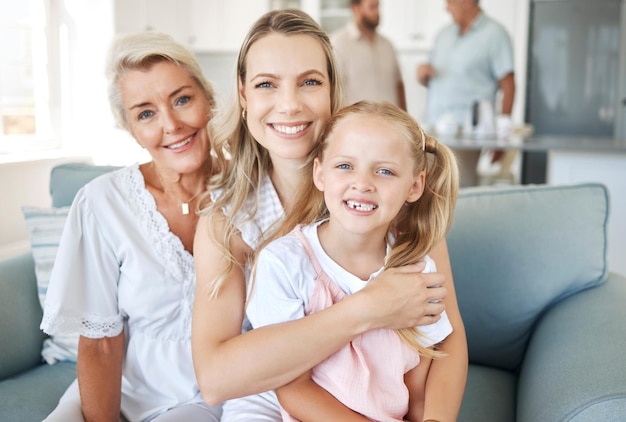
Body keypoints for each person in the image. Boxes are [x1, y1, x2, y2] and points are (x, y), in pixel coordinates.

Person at [191, 8, 467, 421]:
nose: (289, 104)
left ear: (334, 89)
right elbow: (214, 379)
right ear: (245, 98)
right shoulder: (226, 221)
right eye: (267, 84)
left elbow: (447, 339)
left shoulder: (391, 205)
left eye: (310, 82)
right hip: (273, 402)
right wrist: (368, 308)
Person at [40, 32, 223, 422]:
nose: (171, 125)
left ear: (209, 99)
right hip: (125, 387)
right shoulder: (102, 203)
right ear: (131, 129)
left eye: (182, 99)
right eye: (146, 113)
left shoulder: (255, 193)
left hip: (209, 395)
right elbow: (102, 344)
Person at [246, 100, 461, 422]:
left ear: (414, 186)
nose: (362, 183)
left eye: (385, 171)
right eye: (345, 166)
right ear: (320, 174)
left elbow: (419, 381)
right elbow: (292, 388)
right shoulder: (284, 263)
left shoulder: (416, 268)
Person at [417, 0, 516, 186]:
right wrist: (423, 75)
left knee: (458, 192)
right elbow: (431, 80)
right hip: (432, 131)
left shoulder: (495, 34)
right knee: (426, 193)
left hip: (466, 134)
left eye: (450, 2)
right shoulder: (443, 35)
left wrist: (502, 137)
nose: (446, 7)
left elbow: (508, 84)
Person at [330, 0, 407, 110]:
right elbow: (333, 90)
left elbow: (398, 85)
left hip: (391, 122)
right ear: (355, 8)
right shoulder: (339, 43)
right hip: (356, 123)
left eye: (378, 6)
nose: (377, 12)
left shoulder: (387, 45)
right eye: (372, 7)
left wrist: (406, 119)